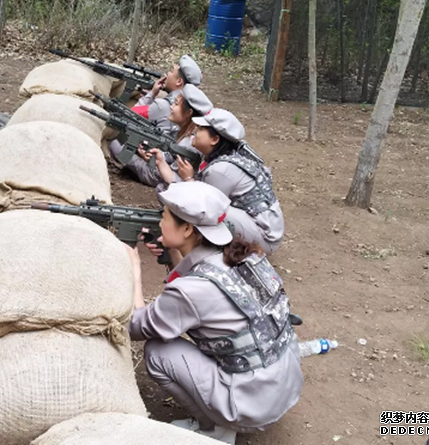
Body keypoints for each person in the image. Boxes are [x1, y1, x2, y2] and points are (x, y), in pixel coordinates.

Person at [125, 181, 302, 445]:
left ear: (186, 229)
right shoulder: (246, 256)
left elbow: (136, 326)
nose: (159, 222)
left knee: (157, 352)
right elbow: (202, 285)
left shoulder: (193, 290)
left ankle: (214, 430)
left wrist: (134, 273)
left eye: (163, 216)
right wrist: (175, 252)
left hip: (253, 406)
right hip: (283, 383)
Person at [150, 108, 284, 255]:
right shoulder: (221, 156)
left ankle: (202, 253)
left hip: (264, 238)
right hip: (252, 223)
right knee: (167, 190)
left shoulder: (221, 170)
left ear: (214, 139)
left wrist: (189, 180)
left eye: (201, 129)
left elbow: (203, 207)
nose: (195, 130)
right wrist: (161, 162)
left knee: (209, 212)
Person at [111, 84, 212, 187]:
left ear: (188, 113)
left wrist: (149, 157)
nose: (171, 107)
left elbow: (171, 174)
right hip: (162, 167)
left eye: (176, 104)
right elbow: (170, 155)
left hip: (157, 176)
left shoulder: (188, 143)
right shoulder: (184, 131)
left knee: (115, 145)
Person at [132, 54, 203, 136]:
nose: (167, 74)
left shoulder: (162, 105)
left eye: (171, 71)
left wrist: (151, 94)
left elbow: (131, 113)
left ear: (179, 82)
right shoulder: (191, 105)